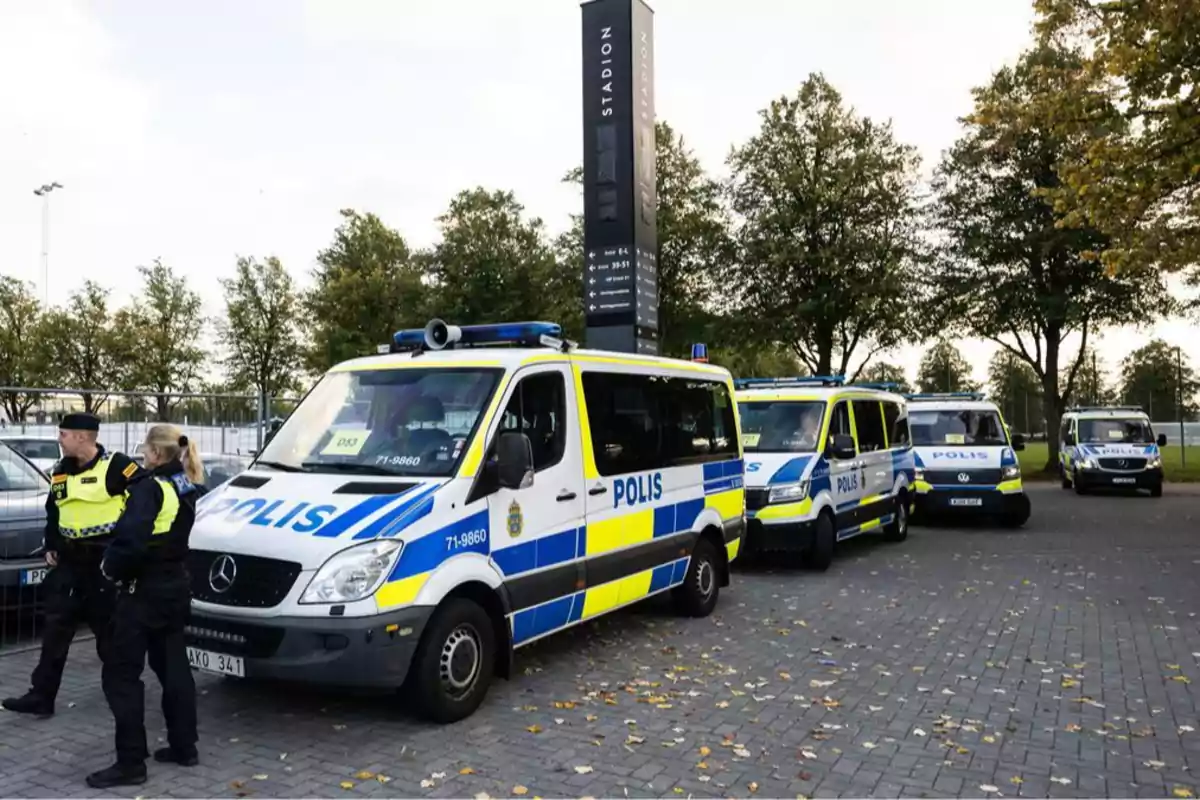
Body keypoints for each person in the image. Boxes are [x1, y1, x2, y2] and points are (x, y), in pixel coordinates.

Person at [87, 424, 207, 789]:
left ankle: (130, 763)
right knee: (173, 668)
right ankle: (184, 746)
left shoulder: (149, 488)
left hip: (143, 593)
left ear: (156, 453)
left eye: (144, 450)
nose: (142, 455)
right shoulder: (187, 485)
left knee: (120, 676)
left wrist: (109, 568)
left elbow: (132, 541)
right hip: (174, 589)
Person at [2, 413, 144, 717]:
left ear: (82, 436)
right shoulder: (61, 471)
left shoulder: (117, 466)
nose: (59, 439)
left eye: (63, 434)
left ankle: (124, 698)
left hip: (103, 564)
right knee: (55, 629)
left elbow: (147, 500)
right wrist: (51, 542)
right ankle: (41, 695)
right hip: (69, 562)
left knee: (109, 636)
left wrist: (126, 544)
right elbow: (54, 509)